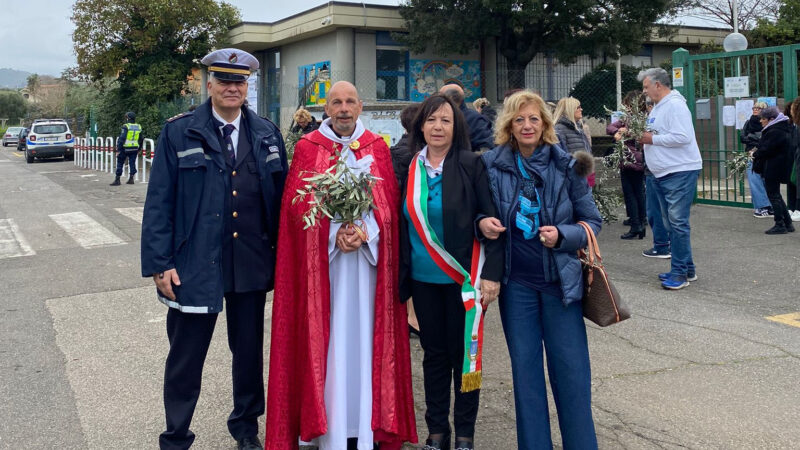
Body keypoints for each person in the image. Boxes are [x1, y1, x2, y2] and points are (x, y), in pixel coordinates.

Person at [141, 48, 288, 450]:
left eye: (239, 81)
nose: (231, 87)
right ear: (210, 84)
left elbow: (283, 203)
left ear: (247, 87)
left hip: (251, 264)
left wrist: (286, 260)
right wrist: (160, 264)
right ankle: (176, 435)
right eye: (224, 80)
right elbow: (159, 203)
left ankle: (246, 429)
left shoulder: (267, 134)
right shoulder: (179, 131)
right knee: (186, 359)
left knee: (248, 357)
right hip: (192, 265)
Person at [266, 81, 417, 450]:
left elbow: (389, 206)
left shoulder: (377, 148)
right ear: (326, 108)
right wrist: (333, 234)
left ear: (360, 106)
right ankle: (326, 426)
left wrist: (365, 233)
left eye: (350, 101)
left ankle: (366, 425)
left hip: (367, 271)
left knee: (366, 339)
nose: (344, 108)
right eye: (337, 102)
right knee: (327, 342)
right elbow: (296, 208)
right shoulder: (307, 148)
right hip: (326, 270)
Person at [480, 90, 601, 450]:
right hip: (517, 286)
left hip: (560, 286)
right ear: (509, 126)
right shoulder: (491, 165)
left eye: (534, 119)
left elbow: (592, 222)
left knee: (572, 376)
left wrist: (563, 234)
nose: (527, 125)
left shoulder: (568, 166)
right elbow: (478, 214)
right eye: (520, 119)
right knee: (526, 378)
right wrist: (483, 223)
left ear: (546, 124)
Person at [395, 93, 503, 450]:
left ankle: (465, 436)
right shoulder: (409, 167)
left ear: (455, 127)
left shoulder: (472, 164)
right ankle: (437, 432)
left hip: (463, 281)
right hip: (423, 282)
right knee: (434, 355)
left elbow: (491, 220)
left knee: (463, 357)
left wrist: (492, 275)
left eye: (445, 120)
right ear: (420, 126)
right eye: (431, 120)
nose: (438, 127)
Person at [638, 67, 702, 290]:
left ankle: (680, 274)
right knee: (672, 223)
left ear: (658, 84)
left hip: (678, 171)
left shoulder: (674, 105)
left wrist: (651, 140)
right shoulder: (660, 106)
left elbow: (683, 137)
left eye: (646, 87)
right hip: (664, 172)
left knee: (677, 224)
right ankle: (687, 269)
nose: (644, 92)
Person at [607, 91, 647, 240]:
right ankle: (640, 222)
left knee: (631, 193)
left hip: (631, 159)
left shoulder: (635, 119)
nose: (624, 107)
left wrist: (625, 132)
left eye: (626, 104)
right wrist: (619, 131)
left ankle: (636, 225)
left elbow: (639, 134)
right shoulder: (635, 118)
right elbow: (610, 128)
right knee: (638, 192)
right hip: (634, 159)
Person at [752, 106, 795, 234]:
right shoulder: (782, 127)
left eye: (763, 118)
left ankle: (780, 224)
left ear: (771, 119)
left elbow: (766, 149)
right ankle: (787, 223)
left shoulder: (775, 130)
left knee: (773, 195)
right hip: (777, 166)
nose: (761, 121)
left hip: (773, 167)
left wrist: (755, 154)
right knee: (776, 195)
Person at [439, 84, 494, 152]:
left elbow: (485, 148)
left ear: (449, 98)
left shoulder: (474, 119)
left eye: (439, 97)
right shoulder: (476, 118)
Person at [554, 97, 595, 187]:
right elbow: (560, 155)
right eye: (578, 107)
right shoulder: (559, 129)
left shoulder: (579, 128)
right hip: (572, 178)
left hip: (584, 175)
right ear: (570, 109)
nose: (581, 109)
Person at [741, 101, 772, 218]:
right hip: (750, 154)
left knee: (764, 181)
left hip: (762, 154)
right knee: (754, 181)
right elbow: (743, 137)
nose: (755, 109)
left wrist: (751, 137)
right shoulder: (748, 122)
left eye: (758, 108)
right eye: (754, 107)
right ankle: (762, 207)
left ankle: (767, 207)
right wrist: (753, 138)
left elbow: (764, 139)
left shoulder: (767, 123)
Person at [110, 111, 142, 186]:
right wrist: (139, 148)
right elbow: (141, 138)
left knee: (120, 162)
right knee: (132, 163)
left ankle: (117, 180)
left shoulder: (126, 126)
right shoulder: (138, 126)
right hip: (134, 148)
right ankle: (131, 179)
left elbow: (122, 138)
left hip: (125, 148)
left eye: (126, 117)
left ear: (128, 118)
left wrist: (118, 149)